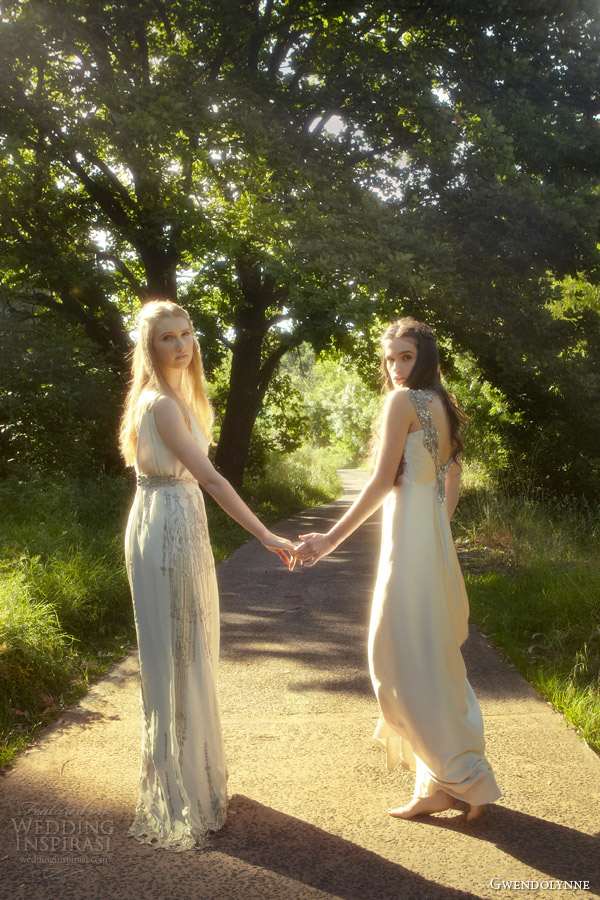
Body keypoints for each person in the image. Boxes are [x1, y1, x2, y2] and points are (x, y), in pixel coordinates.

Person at [294, 317, 501, 820]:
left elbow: (382, 482)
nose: (395, 368)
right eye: (389, 359)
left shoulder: (402, 403)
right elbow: (449, 485)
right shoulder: (445, 407)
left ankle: (463, 778)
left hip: (412, 544)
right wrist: (435, 530)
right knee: (425, 657)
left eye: (405, 356)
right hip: (429, 541)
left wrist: (328, 540)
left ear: (425, 357)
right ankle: (440, 784)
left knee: (399, 658)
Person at [119, 299, 295, 851]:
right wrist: (266, 535)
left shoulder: (178, 398)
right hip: (167, 526)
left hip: (172, 518)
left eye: (186, 333)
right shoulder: (161, 406)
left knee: (187, 650)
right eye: (167, 337)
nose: (181, 345)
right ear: (149, 347)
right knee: (177, 653)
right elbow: (213, 481)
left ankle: (191, 775)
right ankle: (179, 790)